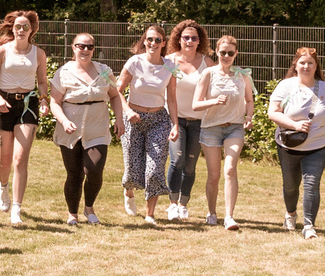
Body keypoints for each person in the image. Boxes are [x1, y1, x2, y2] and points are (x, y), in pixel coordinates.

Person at [266, 45, 325, 238]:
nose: (306, 66)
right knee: (290, 184)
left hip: (317, 146)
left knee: (312, 184)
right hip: (288, 145)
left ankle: (309, 225)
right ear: (295, 65)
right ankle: (290, 214)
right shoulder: (285, 86)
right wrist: (295, 125)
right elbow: (272, 113)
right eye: (302, 63)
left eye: (310, 63)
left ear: (316, 66)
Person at [49, 32, 119, 225]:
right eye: (81, 46)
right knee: (74, 174)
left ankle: (89, 208)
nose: (85, 50)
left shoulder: (104, 71)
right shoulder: (63, 72)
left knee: (94, 169)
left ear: (94, 49)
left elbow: (114, 95)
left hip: (97, 129)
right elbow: (54, 102)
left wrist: (119, 119)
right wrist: (64, 121)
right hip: (70, 131)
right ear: (73, 47)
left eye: (89, 47)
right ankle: (72, 213)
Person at [0, 10, 47, 225]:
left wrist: (45, 99)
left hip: (27, 105)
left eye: (25, 27)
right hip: (4, 103)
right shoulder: (2, 51)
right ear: (12, 28)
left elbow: (41, 81)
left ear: (32, 30)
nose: (21, 30)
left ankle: (17, 209)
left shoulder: (38, 53)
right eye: (18, 26)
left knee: (20, 159)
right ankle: (3, 187)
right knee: (4, 161)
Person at [188, 33, 254, 228]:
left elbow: (249, 100)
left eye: (230, 53)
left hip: (234, 128)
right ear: (216, 52)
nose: (226, 56)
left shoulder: (242, 75)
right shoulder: (208, 74)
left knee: (230, 169)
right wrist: (213, 101)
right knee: (214, 175)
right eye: (223, 52)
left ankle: (229, 216)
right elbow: (195, 105)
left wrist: (249, 117)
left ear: (236, 54)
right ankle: (211, 212)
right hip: (211, 128)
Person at [115, 24, 175, 223]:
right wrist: (128, 111)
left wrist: (175, 124)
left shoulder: (169, 66)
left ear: (164, 43)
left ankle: (150, 214)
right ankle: (129, 193)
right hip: (134, 118)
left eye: (158, 40)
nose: (153, 43)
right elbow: (117, 91)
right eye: (149, 39)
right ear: (144, 41)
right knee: (133, 168)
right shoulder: (135, 62)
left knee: (155, 168)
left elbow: (172, 99)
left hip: (159, 120)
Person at [165, 19, 212, 223]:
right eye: (186, 37)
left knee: (191, 165)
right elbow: (166, 93)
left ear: (199, 41)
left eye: (194, 38)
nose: (190, 41)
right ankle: (172, 204)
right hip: (175, 119)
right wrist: (173, 122)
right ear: (179, 39)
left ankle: (184, 204)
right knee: (177, 160)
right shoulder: (169, 61)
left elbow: (220, 82)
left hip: (199, 121)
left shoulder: (207, 63)